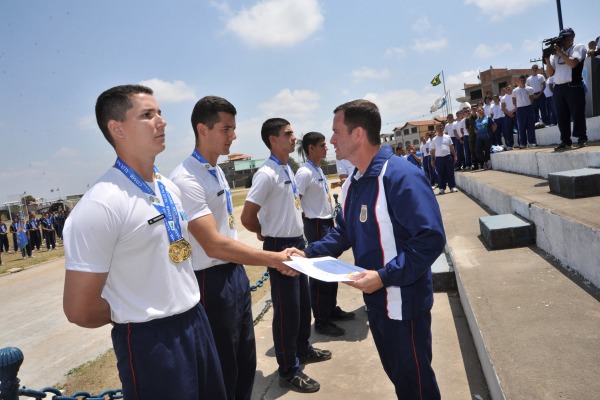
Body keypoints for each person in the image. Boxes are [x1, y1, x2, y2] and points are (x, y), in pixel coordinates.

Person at [62, 84, 226, 399]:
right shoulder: (101, 204)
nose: (162, 122)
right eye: (148, 115)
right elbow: (80, 309)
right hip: (151, 339)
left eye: (160, 113)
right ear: (117, 128)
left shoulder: (168, 187)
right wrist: (132, 310)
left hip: (196, 321)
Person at [292, 99, 445, 399]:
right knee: (400, 378)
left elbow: (431, 239)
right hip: (377, 302)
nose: (332, 140)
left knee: (416, 384)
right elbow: (345, 232)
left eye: (336, 132)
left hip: (403, 304)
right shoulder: (354, 183)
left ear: (358, 134)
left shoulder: (400, 176)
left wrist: (384, 276)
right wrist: (306, 255)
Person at [169, 95, 298, 400]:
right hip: (210, 282)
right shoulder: (187, 178)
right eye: (226, 129)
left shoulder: (215, 171)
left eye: (233, 129)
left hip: (233, 276)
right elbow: (213, 245)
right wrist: (274, 258)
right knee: (223, 369)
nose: (234, 135)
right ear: (203, 129)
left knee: (244, 361)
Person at [240, 118, 331, 394]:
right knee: (287, 312)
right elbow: (247, 217)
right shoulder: (266, 174)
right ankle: (288, 370)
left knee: (302, 306)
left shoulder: (287, 169)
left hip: (297, 244)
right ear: (273, 139)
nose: (294, 138)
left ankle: (302, 349)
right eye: (288, 133)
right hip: (280, 246)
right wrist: (265, 233)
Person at [295, 131, 355, 338]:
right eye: (322, 145)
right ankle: (321, 319)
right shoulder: (304, 172)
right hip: (316, 224)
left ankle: (331, 309)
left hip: (326, 222)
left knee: (331, 269)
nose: (326, 147)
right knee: (320, 274)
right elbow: (296, 202)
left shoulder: (317, 169)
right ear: (311, 148)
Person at [545, 27, 588, 150]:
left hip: (573, 85)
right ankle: (565, 140)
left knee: (577, 113)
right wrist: (547, 59)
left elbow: (573, 63)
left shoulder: (578, 47)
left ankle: (582, 138)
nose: (567, 39)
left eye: (569, 36)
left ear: (573, 36)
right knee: (561, 116)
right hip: (559, 87)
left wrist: (560, 53)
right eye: (564, 37)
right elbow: (549, 74)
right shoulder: (556, 54)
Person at [430, 124, 458, 194]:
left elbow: (452, 147)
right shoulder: (434, 139)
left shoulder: (447, 137)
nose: (440, 128)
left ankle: (452, 187)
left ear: (443, 129)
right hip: (439, 158)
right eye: (438, 127)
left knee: (450, 172)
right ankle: (442, 188)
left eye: (441, 127)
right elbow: (432, 151)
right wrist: (432, 160)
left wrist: (455, 156)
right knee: (440, 174)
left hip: (448, 157)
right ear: (436, 129)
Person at [512, 75, 537, 148]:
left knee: (530, 125)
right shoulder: (515, 90)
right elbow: (514, 101)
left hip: (528, 108)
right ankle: (523, 143)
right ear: (519, 80)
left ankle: (531, 142)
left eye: (524, 79)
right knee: (521, 126)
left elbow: (532, 99)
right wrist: (519, 106)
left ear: (525, 80)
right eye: (521, 79)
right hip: (520, 109)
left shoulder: (530, 89)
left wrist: (527, 104)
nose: (522, 81)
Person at [501, 85, 517, 149]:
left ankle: (522, 142)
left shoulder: (515, 95)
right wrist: (509, 113)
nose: (508, 89)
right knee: (508, 130)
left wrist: (513, 111)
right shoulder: (503, 98)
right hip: (507, 115)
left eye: (509, 87)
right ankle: (510, 145)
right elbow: (503, 107)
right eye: (506, 88)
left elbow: (518, 104)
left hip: (516, 113)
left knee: (519, 128)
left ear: (512, 88)